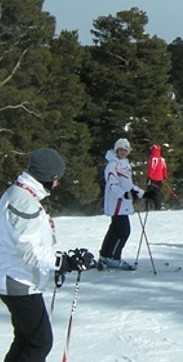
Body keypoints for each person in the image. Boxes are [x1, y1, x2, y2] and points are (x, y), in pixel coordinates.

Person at [0, 148, 93, 361]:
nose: (58, 183)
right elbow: (29, 252)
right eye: (57, 178)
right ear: (48, 177)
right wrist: (63, 262)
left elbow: (32, 243)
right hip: (18, 281)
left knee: (25, 338)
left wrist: (57, 261)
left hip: (16, 277)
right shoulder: (24, 202)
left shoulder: (22, 194)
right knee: (40, 342)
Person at [98, 138, 145, 270]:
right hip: (117, 203)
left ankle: (105, 256)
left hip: (123, 203)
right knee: (124, 231)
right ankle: (113, 258)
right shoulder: (113, 165)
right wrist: (124, 194)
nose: (124, 152)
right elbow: (112, 184)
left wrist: (142, 194)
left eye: (126, 150)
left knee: (115, 229)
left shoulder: (124, 164)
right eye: (121, 150)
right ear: (116, 150)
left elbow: (128, 185)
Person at [146, 143, 168, 211]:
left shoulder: (153, 158)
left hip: (153, 179)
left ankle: (148, 208)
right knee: (157, 194)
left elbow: (151, 168)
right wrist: (164, 177)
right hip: (160, 179)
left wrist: (149, 176)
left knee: (149, 194)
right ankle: (158, 207)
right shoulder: (162, 159)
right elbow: (164, 168)